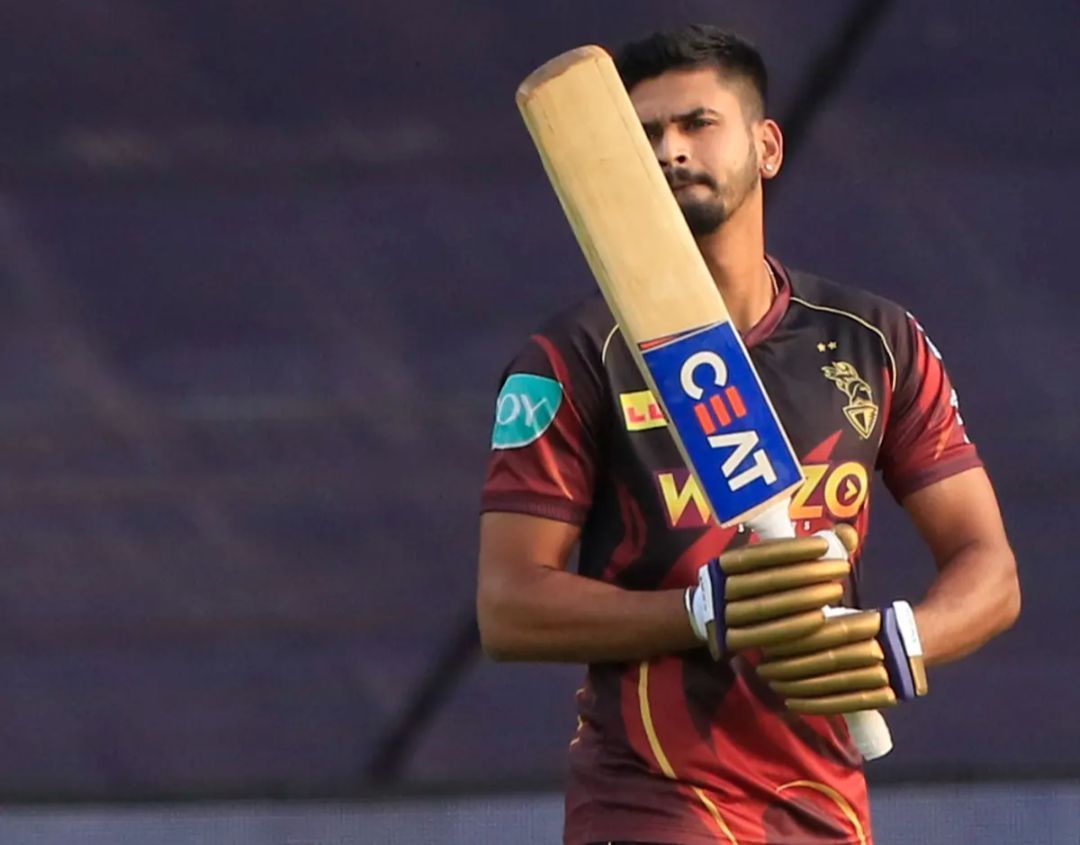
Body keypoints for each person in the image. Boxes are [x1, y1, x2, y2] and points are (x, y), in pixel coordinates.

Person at [477, 23, 1020, 845]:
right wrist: (698, 612)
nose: (670, 150)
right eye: (647, 134)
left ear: (766, 146)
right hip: (651, 796)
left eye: (697, 123)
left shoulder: (875, 340)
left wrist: (902, 640)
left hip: (825, 797)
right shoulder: (573, 357)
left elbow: (991, 567)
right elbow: (509, 606)